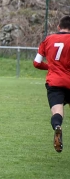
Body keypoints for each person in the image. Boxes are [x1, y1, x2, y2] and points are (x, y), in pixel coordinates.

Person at [33, 15, 70, 153]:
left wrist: (51, 67)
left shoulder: (47, 39)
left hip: (54, 82)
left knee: (57, 111)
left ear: (58, 27)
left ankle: (57, 127)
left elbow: (36, 63)